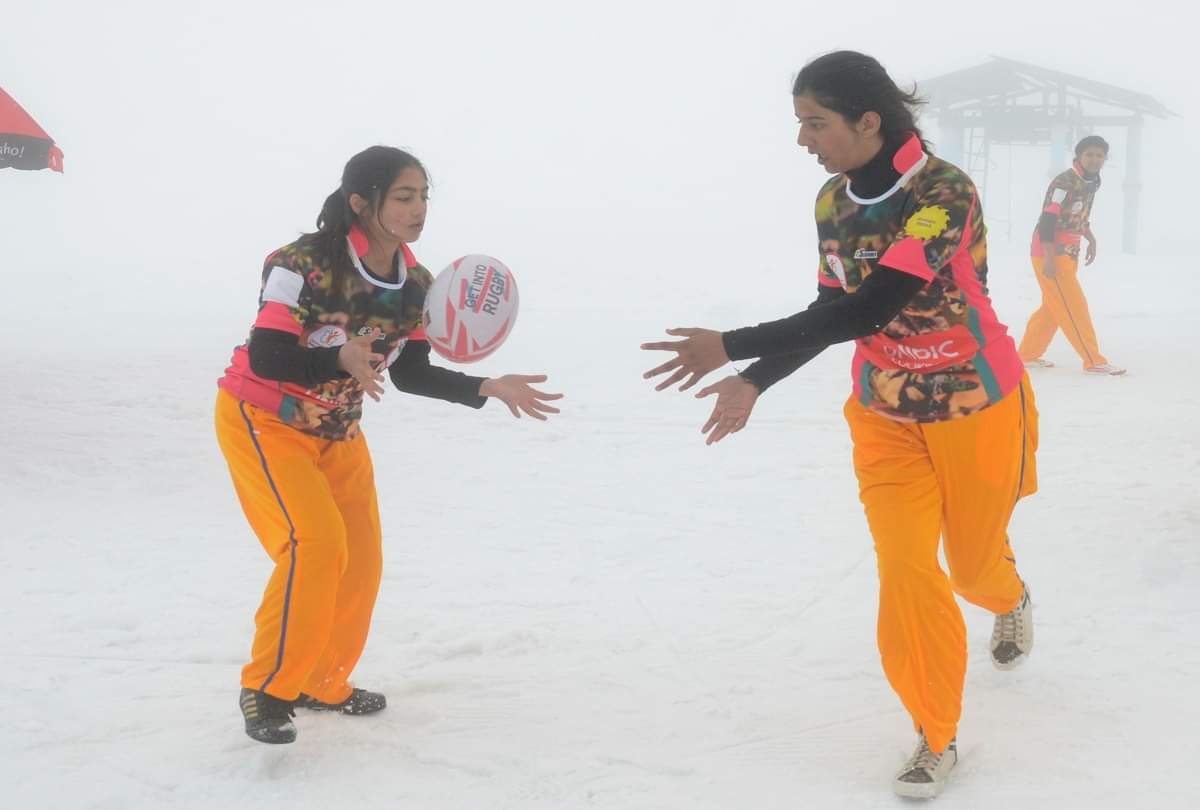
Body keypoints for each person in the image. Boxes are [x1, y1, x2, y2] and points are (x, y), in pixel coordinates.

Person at [642, 52, 1038, 799]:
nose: (803, 140)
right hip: (884, 414)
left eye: (815, 123)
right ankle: (936, 732)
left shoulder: (941, 192)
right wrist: (756, 379)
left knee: (972, 569)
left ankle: (1010, 597)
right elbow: (831, 312)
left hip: (975, 406)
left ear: (868, 121)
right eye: (800, 123)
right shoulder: (832, 202)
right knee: (906, 566)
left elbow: (873, 307)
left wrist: (730, 344)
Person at [215, 145, 563, 744]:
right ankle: (268, 688)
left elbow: (412, 374)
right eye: (404, 196)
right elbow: (269, 355)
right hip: (266, 419)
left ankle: (321, 680)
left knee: (361, 560)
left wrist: (486, 385)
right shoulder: (298, 263)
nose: (419, 208)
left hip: (339, 431)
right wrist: (337, 358)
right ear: (361, 202)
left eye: (424, 196)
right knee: (315, 544)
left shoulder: (418, 287)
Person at [1018, 135, 1125, 374]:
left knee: (1054, 307)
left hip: (1069, 251)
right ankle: (1093, 360)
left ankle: (1027, 355)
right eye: (1089, 155)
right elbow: (1048, 219)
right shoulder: (1065, 182)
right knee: (1074, 306)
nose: (1094, 159)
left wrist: (1090, 237)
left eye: (1099, 155)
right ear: (1078, 156)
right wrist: (1048, 258)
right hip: (1050, 251)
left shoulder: (1091, 181)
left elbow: (1078, 214)